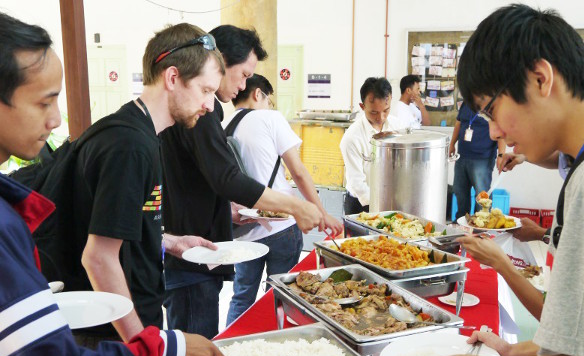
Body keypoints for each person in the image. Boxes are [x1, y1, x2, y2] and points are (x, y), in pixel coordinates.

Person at [0, 12, 226, 356]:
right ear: (173, 78)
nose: (210, 104)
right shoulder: (129, 145)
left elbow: (105, 221)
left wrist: (168, 241)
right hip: (107, 337)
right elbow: (99, 258)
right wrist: (150, 350)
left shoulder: (139, 135)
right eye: (206, 90)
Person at [390, 5, 584, 356]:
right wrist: (510, 353)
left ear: (541, 78)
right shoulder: (580, 166)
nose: (495, 131)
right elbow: (583, 341)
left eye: (491, 110)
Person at [160, 25, 323, 339]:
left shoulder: (202, 111)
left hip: (192, 252)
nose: (244, 85)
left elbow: (204, 180)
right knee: (195, 352)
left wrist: (226, 209)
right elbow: (227, 178)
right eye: (245, 74)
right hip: (191, 259)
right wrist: (296, 206)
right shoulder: (200, 112)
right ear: (217, 63)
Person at [222, 74, 344, 325]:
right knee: (280, 296)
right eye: (269, 100)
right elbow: (298, 171)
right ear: (258, 94)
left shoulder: (225, 124)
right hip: (280, 224)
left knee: (242, 296)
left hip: (246, 227)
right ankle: (276, 344)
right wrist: (321, 212)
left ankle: (231, 350)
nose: (270, 105)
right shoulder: (270, 118)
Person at [340, 77, 405, 214]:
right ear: (362, 106)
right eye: (374, 112)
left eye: (386, 110)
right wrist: (381, 208)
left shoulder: (398, 127)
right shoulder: (352, 138)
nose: (381, 117)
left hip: (392, 200)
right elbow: (357, 183)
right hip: (361, 204)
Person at [449, 102, 504, 220]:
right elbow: (458, 124)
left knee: (482, 196)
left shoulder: (492, 105)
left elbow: (500, 131)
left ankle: (481, 225)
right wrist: (452, 144)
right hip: (462, 156)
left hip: (482, 159)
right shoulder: (466, 103)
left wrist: (501, 155)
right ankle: (461, 222)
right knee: (459, 191)